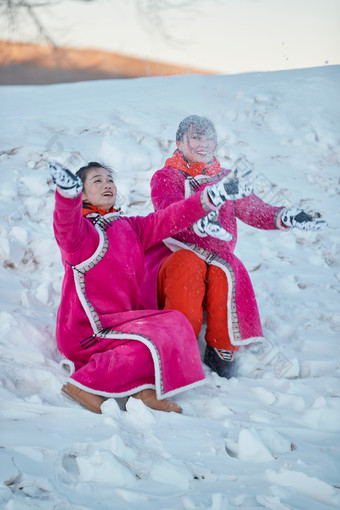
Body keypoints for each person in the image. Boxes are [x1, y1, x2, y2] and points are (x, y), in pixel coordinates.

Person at [49, 159, 248, 414]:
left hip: (119, 324)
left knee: (175, 324)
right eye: (96, 181)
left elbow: (169, 218)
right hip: (86, 329)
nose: (107, 184)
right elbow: (64, 225)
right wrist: (67, 196)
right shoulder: (82, 234)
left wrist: (211, 197)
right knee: (150, 341)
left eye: (110, 180)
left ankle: (143, 391)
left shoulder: (129, 227)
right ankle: (83, 386)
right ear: (82, 192)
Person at [150, 115, 326, 379]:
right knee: (189, 267)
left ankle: (222, 349)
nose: (204, 143)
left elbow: (255, 210)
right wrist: (199, 223)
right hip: (180, 250)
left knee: (229, 268)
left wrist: (286, 216)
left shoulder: (226, 179)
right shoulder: (167, 176)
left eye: (209, 137)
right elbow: (169, 212)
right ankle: (179, 345)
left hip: (219, 256)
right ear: (179, 142)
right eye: (196, 137)